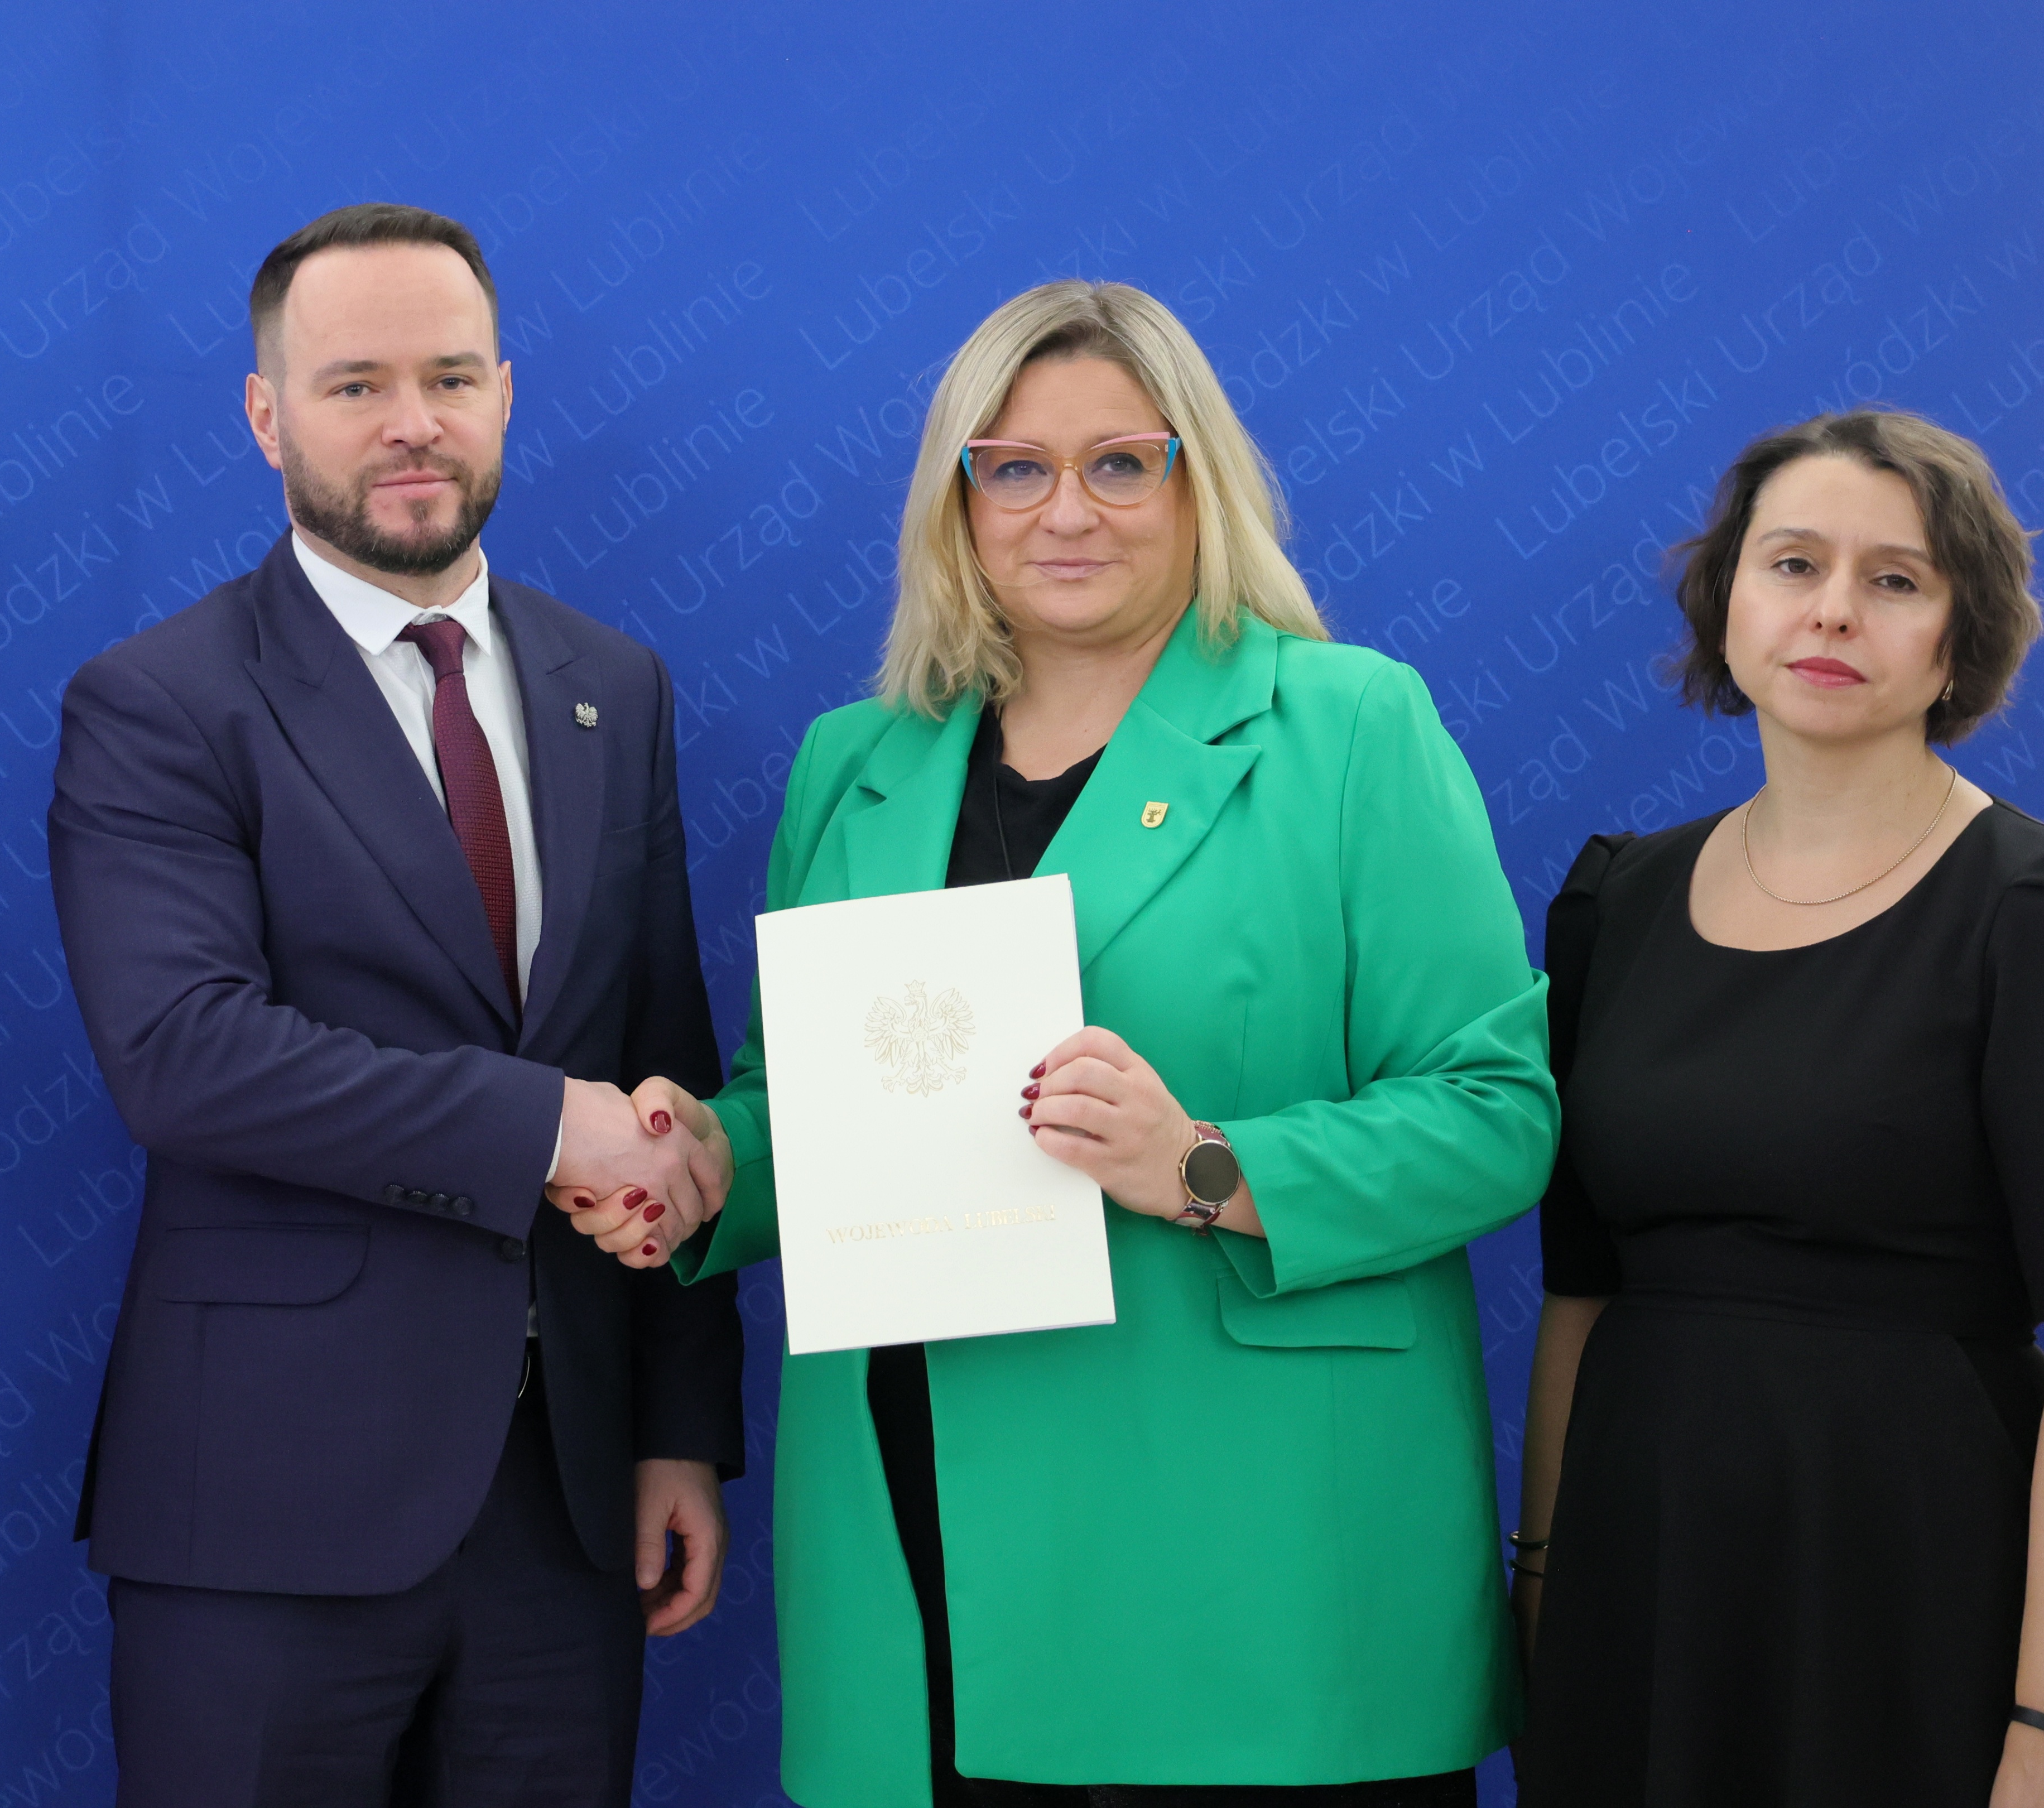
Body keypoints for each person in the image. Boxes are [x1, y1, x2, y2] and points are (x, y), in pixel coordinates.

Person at [559, 280, 1559, 1804]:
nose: (1066, 511)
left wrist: (1206, 1165)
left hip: (1250, 1556)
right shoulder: (856, 765)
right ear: (956, 501)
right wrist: (701, 1160)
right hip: (920, 1528)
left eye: (1120, 463)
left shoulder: (1350, 725)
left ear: (1196, 481)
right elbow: (809, 1109)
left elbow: (1497, 1111)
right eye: (1015, 468)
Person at [46, 203, 745, 1808]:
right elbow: (186, 1058)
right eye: (355, 384)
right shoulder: (159, 702)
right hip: (266, 1513)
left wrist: (675, 1429)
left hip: (566, 1510)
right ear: (266, 415)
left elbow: (663, 1061)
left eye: (449, 378)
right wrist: (543, 1128)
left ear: (505, 394)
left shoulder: (612, 685)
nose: (412, 422)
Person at [1514, 410, 2044, 1806]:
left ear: (1962, 634)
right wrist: (1541, 1580)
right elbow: (1579, 1289)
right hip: (1638, 1575)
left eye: (1896, 578)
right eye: (1794, 562)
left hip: (1911, 1582)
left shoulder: (2021, 913)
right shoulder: (1615, 901)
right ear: (1728, 599)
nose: (1833, 610)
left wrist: (2042, 1722)